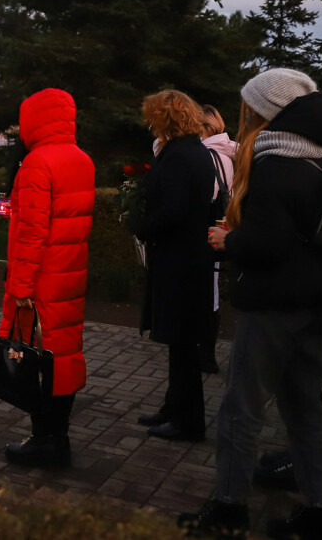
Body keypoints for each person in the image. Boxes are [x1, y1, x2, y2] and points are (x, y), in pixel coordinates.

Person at [181, 68, 322, 540]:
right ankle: (321, 510)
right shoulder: (320, 157)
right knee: (304, 411)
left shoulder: (275, 161)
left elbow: (270, 244)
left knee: (241, 409)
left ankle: (229, 506)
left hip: (274, 304)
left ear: (267, 110)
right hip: (316, 300)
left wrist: (229, 241)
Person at [0, 88, 95, 468]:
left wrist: (20, 284)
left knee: (37, 361)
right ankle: (59, 437)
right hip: (69, 276)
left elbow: (32, 232)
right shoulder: (81, 159)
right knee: (64, 356)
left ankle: (46, 440)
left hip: (41, 281)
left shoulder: (38, 163)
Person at [132, 91, 217, 442]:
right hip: (186, 256)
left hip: (181, 260)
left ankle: (189, 421)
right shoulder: (192, 150)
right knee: (179, 343)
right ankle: (174, 407)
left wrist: (141, 225)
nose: (150, 123)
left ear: (167, 118)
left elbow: (174, 209)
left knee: (182, 343)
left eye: (154, 117)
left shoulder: (181, 155)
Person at [200, 103, 236, 375]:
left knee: (204, 289)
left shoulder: (206, 155)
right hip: (221, 225)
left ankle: (205, 355)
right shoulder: (227, 153)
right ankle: (208, 353)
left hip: (203, 231)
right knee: (211, 289)